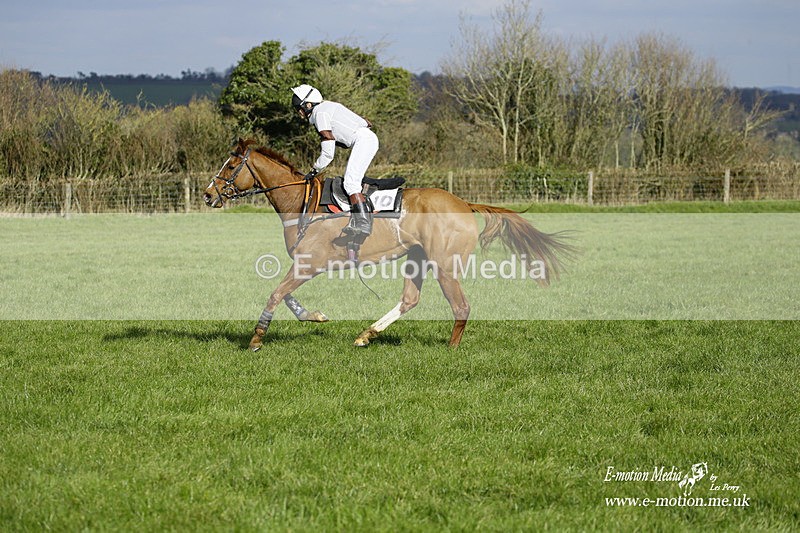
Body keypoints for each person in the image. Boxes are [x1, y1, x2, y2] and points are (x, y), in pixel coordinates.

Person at [291, 84, 378, 238]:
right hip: (366, 137)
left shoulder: (319, 114)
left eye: (300, 108)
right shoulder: (328, 106)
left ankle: (363, 223)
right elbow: (366, 122)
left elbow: (328, 153)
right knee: (351, 181)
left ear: (308, 105)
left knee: (350, 183)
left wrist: (314, 170)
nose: (299, 113)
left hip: (363, 140)